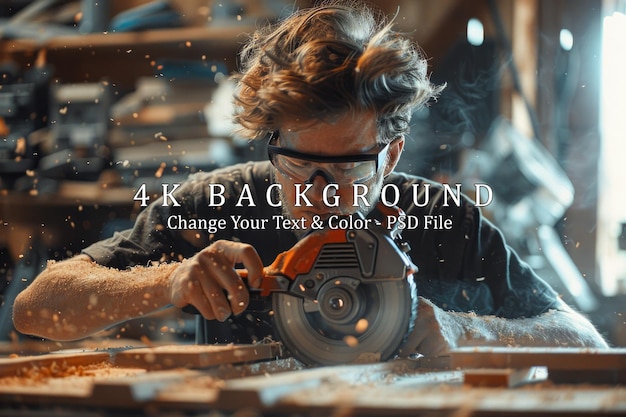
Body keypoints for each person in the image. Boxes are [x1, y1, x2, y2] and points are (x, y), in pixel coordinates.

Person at [13, 0, 608, 357]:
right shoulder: (219, 205)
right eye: (300, 166)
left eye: (348, 169)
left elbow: (584, 339)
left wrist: (464, 329)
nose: (321, 195)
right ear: (273, 146)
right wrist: (167, 282)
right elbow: (34, 310)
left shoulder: (445, 220)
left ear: (391, 155)